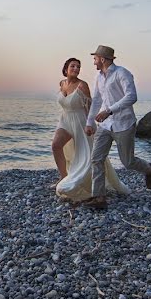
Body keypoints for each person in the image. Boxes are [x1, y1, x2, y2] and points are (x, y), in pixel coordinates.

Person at [84, 45, 151, 209]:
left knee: (128, 162)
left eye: (95, 58)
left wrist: (109, 111)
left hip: (124, 123)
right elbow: (96, 100)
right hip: (105, 125)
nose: (93, 61)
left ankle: (149, 169)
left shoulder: (122, 73)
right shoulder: (99, 77)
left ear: (102, 59)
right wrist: (89, 122)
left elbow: (132, 96)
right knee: (96, 159)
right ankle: (99, 198)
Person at [53, 57, 129, 202]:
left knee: (86, 154)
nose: (76, 69)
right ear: (66, 68)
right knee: (56, 146)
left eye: (78, 67)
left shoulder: (82, 85)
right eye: (73, 66)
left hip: (81, 121)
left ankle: (88, 183)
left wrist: (91, 124)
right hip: (65, 120)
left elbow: (90, 107)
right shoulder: (62, 84)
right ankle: (63, 177)